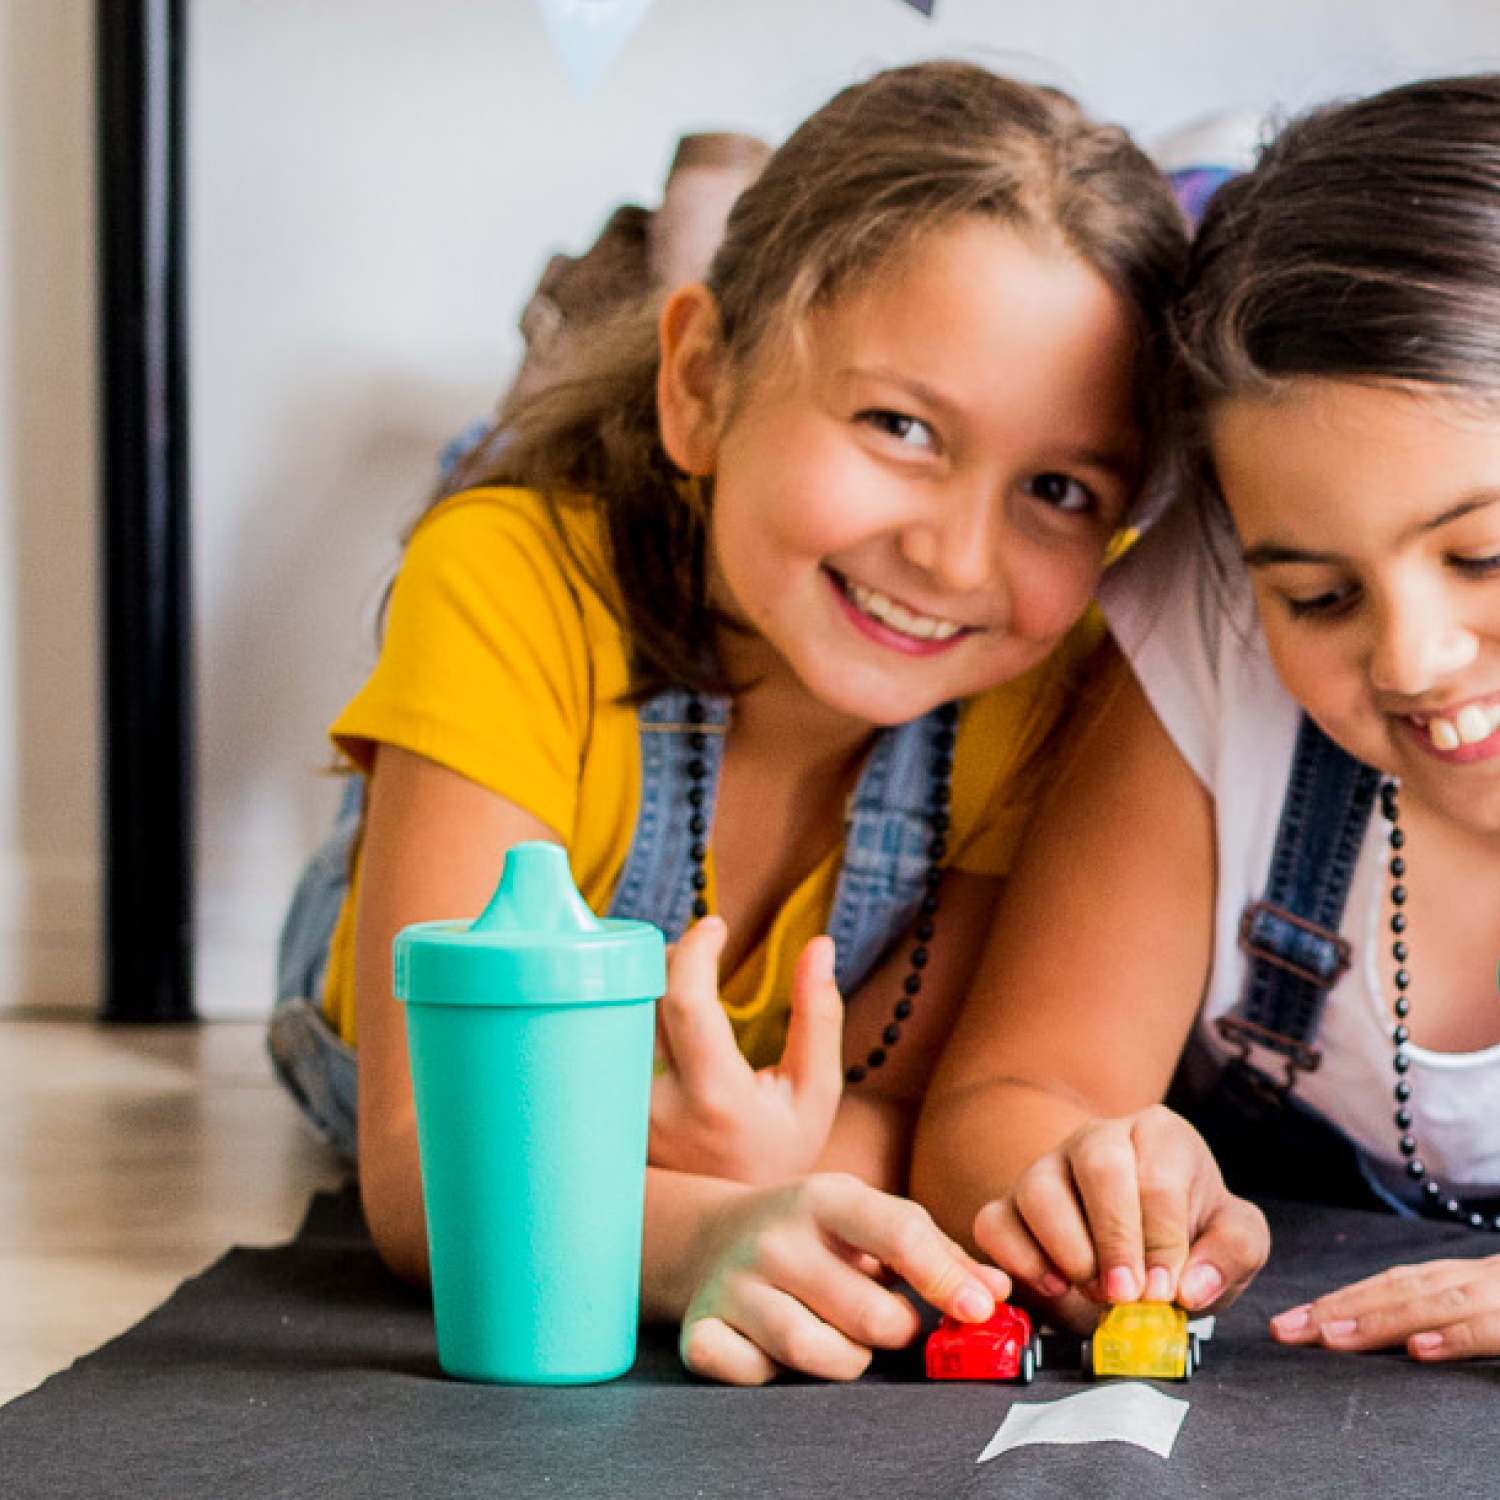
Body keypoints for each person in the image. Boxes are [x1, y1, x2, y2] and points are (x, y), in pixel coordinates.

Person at [270, 58, 1187, 1384]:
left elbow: (921, 1117)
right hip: (389, 1004)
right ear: (698, 376)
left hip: (716, 1106)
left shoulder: (1051, 678)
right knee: (488, 505)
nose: (954, 555)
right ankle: (580, 355)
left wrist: (779, 1165)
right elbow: (430, 1163)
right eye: (900, 425)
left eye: (1057, 487)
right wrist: (697, 1228)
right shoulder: (505, 586)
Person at [913, 73, 1500, 1364]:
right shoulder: (1208, 627)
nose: (1415, 657)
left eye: (1484, 555)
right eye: (1319, 593)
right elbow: (1002, 1102)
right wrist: (1079, 1175)